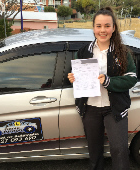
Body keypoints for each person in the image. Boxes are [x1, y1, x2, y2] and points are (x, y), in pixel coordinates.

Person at [68, 7, 137, 170]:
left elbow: (131, 79)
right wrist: (73, 78)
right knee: (94, 151)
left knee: (119, 150)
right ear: (93, 28)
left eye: (107, 26)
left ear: (113, 28)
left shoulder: (123, 53)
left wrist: (108, 81)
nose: (103, 30)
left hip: (114, 108)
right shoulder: (83, 52)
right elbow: (76, 75)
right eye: (99, 26)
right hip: (89, 108)